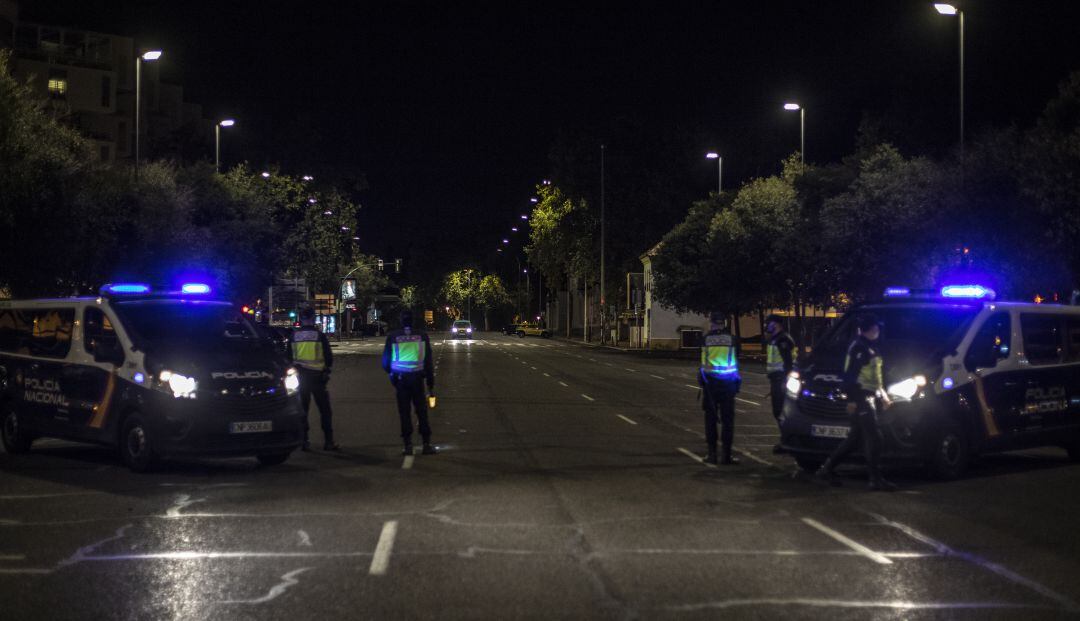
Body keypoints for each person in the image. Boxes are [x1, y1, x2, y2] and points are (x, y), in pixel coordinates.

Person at [815, 314, 897, 491]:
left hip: (869, 397)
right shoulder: (859, 348)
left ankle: (827, 468)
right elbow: (850, 376)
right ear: (871, 329)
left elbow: (875, 377)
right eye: (876, 328)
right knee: (875, 437)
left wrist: (883, 395)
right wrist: (852, 400)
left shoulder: (870, 347)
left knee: (855, 439)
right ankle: (875, 479)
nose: (878, 331)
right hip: (861, 398)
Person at [382, 309, 436, 456]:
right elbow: (428, 362)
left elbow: (385, 362)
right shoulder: (422, 336)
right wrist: (430, 383)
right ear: (413, 321)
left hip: (401, 381)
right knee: (421, 412)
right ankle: (426, 444)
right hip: (417, 380)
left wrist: (392, 375)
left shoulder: (393, 337)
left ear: (401, 321)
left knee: (404, 413)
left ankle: (408, 445)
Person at [289, 307, 340, 451]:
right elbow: (328, 357)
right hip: (318, 378)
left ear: (301, 318)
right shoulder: (319, 335)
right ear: (312, 318)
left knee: (302, 410)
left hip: (301, 379)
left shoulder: (294, 336)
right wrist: (326, 371)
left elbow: (288, 358)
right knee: (325, 411)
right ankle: (329, 442)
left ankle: (304, 441)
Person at [698, 312, 741, 465]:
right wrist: (737, 382)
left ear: (712, 323)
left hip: (710, 384)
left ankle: (712, 454)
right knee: (728, 420)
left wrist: (701, 381)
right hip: (728, 384)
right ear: (723, 323)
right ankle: (727, 455)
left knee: (710, 420)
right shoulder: (732, 339)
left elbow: (703, 363)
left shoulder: (706, 339)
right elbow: (736, 362)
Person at [764, 314, 797, 452]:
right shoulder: (775, 339)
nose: (767, 325)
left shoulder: (783, 339)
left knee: (781, 412)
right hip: (776, 379)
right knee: (778, 412)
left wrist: (785, 381)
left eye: (769, 323)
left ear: (776, 324)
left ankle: (788, 442)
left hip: (781, 380)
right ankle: (786, 440)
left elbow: (789, 363)